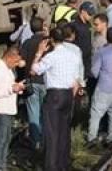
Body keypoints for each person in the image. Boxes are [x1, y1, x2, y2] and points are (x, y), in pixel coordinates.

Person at [31, 27, 84, 171]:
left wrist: (39, 53)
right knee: (64, 131)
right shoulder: (73, 55)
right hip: (68, 94)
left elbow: (34, 70)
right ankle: (63, 164)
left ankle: (51, 166)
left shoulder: (51, 56)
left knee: (52, 133)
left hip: (54, 95)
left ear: (52, 40)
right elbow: (76, 80)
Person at [0, 46, 26, 171]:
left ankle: (1, 165)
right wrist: (11, 89)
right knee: (0, 140)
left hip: (7, 109)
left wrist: (17, 87)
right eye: (15, 62)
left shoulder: (7, 70)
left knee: (6, 139)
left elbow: (8, 86)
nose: (16, 65)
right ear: (9, 57)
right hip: (0, 110)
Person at [88, 27, 112, 146]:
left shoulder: (102, 52)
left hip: (104, 86)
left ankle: (92, 138)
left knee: (95, 113)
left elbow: (94, 72)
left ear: (107, 37)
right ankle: (111, 137)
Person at [20, 18, 47, 151]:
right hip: (46, 82)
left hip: (31, 82)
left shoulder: (26, 43)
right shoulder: (47, 43)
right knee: (45, 112)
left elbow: (22, 61)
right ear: (43, 26)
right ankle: (45, 140)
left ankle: (35, 142)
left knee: (33, 113)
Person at [70, 1, 96, 71]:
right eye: (89, 14)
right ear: (82, 11)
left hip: (87, 60)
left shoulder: (88, 24)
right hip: (77, 59)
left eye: (92, 14)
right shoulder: (74, 25)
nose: (91, 16)